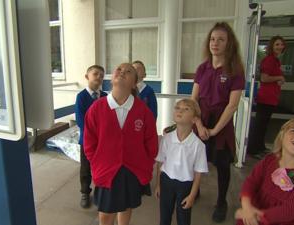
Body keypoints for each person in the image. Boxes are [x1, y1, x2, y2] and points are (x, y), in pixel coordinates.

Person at [84, 63, 158, 225]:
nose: (122, 72)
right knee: (105, 213)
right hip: (106, 169)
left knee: (126, 207)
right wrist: (97, 162)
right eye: (119, 69)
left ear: (134, 83)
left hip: (132, 170)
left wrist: (145, 164)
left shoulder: (143, 111)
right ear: (111, 79)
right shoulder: (97, 108)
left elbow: (151, 143)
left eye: (128, 71)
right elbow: (89, 142)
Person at [191, 22, 245, 223]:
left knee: (222, 164)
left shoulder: (235, 70)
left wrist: (213, 131)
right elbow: (193, 100)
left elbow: (232, 106)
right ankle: (194, 191)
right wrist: (198, 124)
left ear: (229, 44)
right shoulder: (202, 68)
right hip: (200, 121)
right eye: (213, 39)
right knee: (195, 162)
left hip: (222, 123)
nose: (215, 43)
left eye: (221, 39)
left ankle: (221, 202)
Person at [235, 117, 294, 225]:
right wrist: (247, 206)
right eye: (293, 131)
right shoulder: (269, 160)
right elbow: (251, 182)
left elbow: (291, 210)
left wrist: (255, 215)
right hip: (253, 214)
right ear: (281, 138)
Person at [155, 99, 208, 225]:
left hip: (185, 186)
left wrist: (192, 195)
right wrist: (158, 185)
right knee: (164, 217)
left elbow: (198, 172)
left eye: (186, 109)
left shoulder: (198, 145)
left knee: (183, 219)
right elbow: (160, 162)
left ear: (194, 119)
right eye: (177, 108)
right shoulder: (167, 139)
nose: (180, 111)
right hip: (166, 181)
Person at [74, 65, 107, 208]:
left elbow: (108, 118)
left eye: (101, 75)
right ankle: (85, 192)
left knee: (102, 167)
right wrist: (94, 136)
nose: (99, 77)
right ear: (87, 76)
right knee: (86, 168)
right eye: (95, 74)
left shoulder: (106, 97)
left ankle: (101, 192)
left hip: (104, 141)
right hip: (87, 140)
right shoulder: (81, 97)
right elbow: (80, 120)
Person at [248, 36, 286, 158]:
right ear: (272, 46)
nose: (280, 47)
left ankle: (260, 147)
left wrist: (279, 80)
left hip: (272, 98)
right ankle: (253, 149)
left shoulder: (276, 61)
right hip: (265, 98)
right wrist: (279, 78)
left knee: (264, 125)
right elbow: (264, 78)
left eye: (281, 44)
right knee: (259, 124)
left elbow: (273, 78)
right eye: (277, 44)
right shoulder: (269, 60)